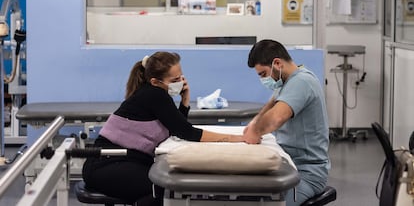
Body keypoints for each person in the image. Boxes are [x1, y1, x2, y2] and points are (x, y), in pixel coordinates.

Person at [82, 52, 244, 206]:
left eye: (181, 76)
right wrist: (233, 138)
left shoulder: (154, 93)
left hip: (119, 163)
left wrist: (185, 101)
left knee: (167, 185)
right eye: (174, 80)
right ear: (155, 82)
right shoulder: (154, 95)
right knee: (165, 187)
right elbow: (186, 132)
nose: (180, 81)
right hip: (105, 166)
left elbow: (174, 127)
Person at [243, 39, 330, 206]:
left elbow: (276, 117)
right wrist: (253, 125)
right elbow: (270, 106)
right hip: (288, 164)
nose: (263, 79)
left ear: (277, 63)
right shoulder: (286, 81)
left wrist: (256, 131)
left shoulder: (302, 82)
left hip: (307, 173)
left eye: (263, 74)